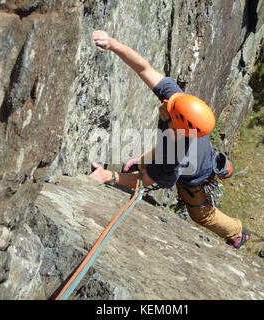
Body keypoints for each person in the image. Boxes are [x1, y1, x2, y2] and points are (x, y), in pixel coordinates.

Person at [89, 30, 250, 249]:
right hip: (184, 152)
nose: (165, 102)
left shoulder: (173, 161)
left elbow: (144, 182)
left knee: (201, 215)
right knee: (157, 153)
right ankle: (140, 162)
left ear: (178, 124)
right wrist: (113, 44)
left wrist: (111, 176)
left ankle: (237, 233)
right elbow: (144, 68)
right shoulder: (180, 104)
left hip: (194, 179)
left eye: (169, 106)